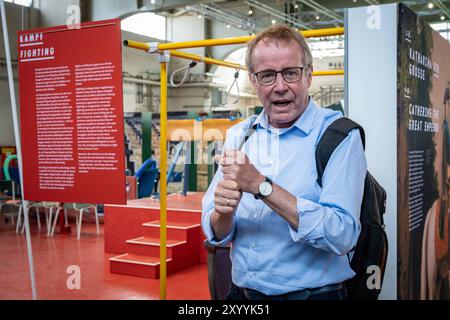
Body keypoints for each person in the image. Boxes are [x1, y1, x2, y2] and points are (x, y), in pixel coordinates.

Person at [201, 24, 367, 300]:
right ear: (253, 81)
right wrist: (223, 213)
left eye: (291, 73)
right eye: (267, 75)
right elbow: (217, 232)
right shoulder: (239, 135)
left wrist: (261, 186)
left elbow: (342, 235)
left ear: (309, 75)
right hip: (241, 295)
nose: (280, 87)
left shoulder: (339, 137)